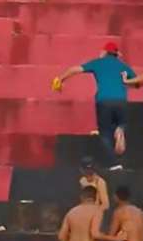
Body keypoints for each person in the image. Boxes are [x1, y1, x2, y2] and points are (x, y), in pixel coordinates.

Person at [53, 42, 136, 171]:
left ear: (104, 52)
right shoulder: (123, 66)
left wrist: (60, 79)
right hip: (121, 100)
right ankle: (120, 129)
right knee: (121, 123)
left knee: (104, 133)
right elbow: (138, 83)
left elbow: (75, 69)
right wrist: (126, 83)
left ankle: (114, 163)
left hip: (103, 100)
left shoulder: (98, 62)